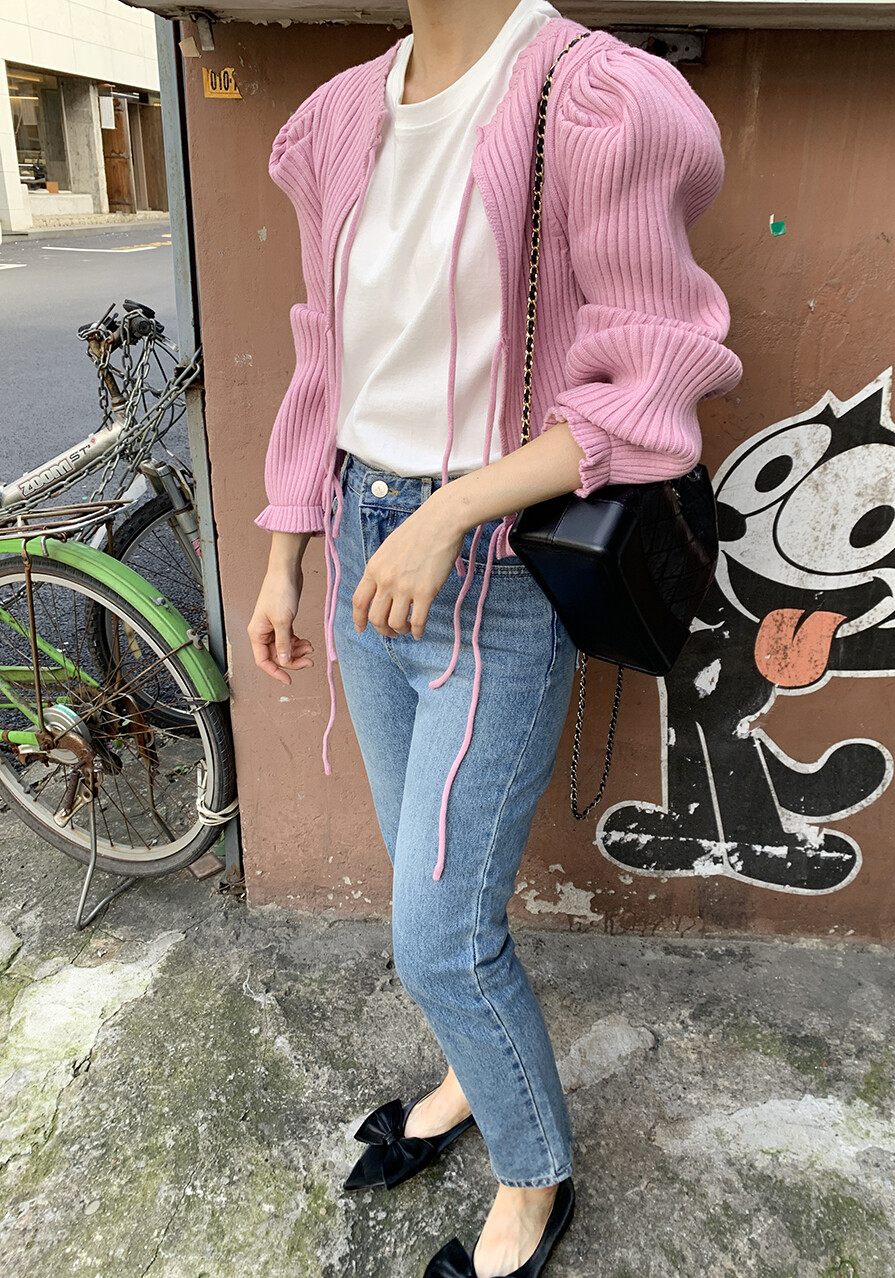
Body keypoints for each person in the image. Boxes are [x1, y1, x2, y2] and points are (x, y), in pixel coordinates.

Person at [247, 1, 741, 1274]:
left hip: (496, 571)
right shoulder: (342, 117)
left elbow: (652, 388)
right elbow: (324, 356)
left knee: (436, 937)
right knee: (436, 891)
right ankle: (474, 1076)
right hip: (365, 549)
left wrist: (451, 511)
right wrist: (287, 550)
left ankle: (533, 1176)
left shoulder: (591, 99)